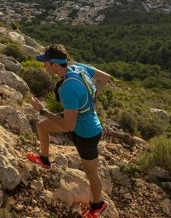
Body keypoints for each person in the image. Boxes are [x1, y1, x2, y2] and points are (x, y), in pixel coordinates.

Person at [26, 44, 111, 218]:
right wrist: (92, 98)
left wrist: (42, 110)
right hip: (76, 119)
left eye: (46, 63)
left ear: (55, 66)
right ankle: (44, 159)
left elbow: (68, 126)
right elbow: (105, 78)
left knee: (91, 172)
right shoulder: (77, 67)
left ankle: (98, 205)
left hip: (87, 133)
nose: (44, 65)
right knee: (42, 126)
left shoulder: (68, 89)